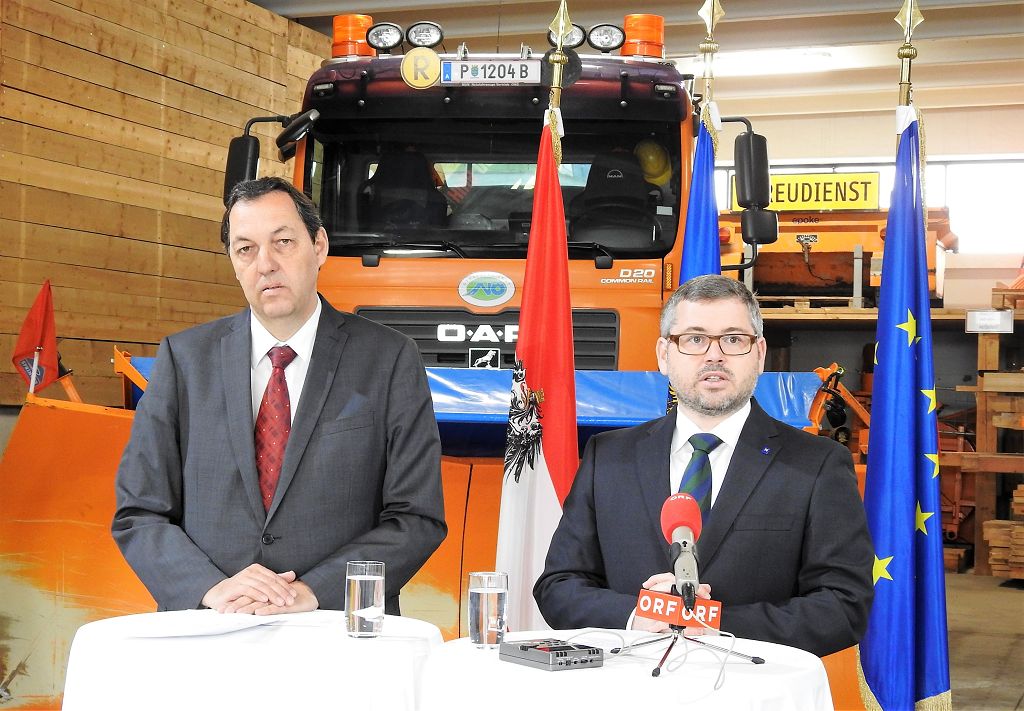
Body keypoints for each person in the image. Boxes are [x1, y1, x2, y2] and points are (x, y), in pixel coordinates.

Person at [113, 177, 446, 616]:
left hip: (338, 631)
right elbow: (139, 511)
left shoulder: (389, 359)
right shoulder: (184, 359)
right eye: (245, 249)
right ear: (233, 262)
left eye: (283, 242)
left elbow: (416, 516)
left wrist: (311, 593)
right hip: (212, 633)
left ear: (319, 246)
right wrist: (213, 589)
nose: (265, 264)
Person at [533, 274, 873, 657]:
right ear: (665, 354)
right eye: (694, 339)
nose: (715, 355)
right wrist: (638, 616)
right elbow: (558, 586)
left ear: (759, 354)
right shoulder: (609, 457)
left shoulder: (817, 465)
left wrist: (714, 624)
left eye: (733, 339)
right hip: (629, 687)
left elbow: (844, 606)